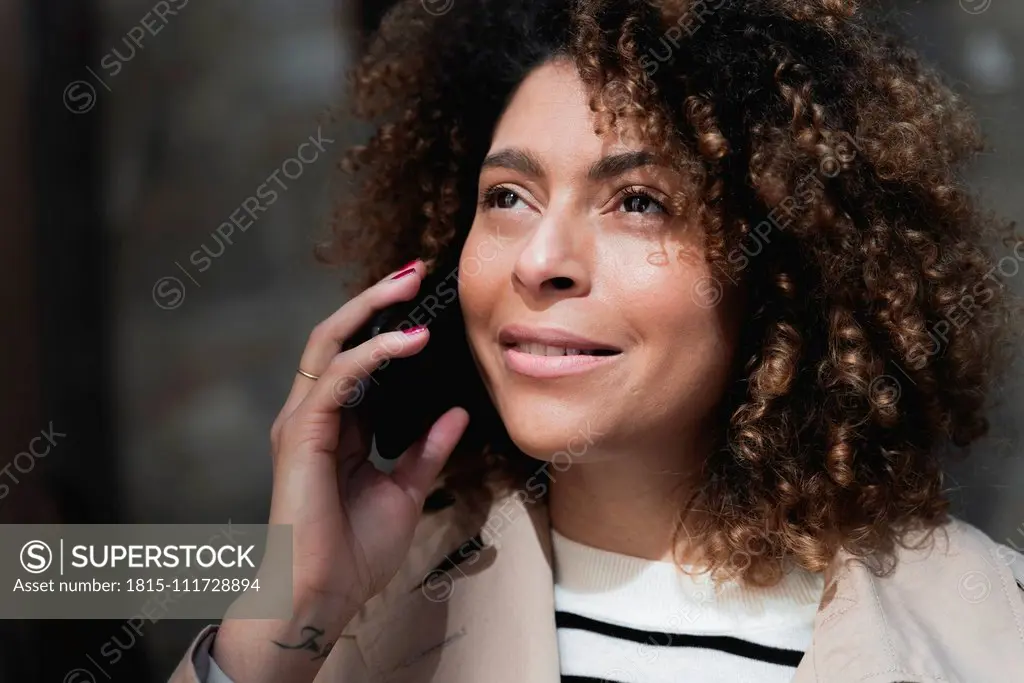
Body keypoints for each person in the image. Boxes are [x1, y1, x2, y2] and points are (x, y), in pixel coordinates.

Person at [169, 1, 1024, 681]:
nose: (540, 261)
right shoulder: (359, 614)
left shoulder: (991, 628)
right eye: (508, 196)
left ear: (786, 268)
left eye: (639, 202)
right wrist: (288, 617)